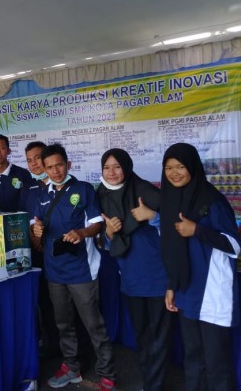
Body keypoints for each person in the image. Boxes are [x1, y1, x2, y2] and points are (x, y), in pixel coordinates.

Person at [30, 143, 115, 390]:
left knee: (93, 324)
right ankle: (71, 367)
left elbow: (97, 224)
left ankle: (107, 373)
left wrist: (81, 232)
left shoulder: (84, 189)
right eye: (49, 167)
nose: (55, 171)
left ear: (68, 164)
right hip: (54, 270)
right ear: (44, 169)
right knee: (63, 324)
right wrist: (36, 230)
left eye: (59, 165)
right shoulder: (42, 194)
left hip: (81, 270)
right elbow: (36, 228)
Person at [161, 143, 240, 391]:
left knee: (216, 363)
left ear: (193, 167)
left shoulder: (213, 201)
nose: (174, 173)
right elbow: (172, 250)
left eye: (180, 167)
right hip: (187, 292)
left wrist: (197, 230)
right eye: (169, 168)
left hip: (213, 294)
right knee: (193, 358)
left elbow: (234, 245)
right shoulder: (172, 200)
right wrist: (172, 286)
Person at [98, 148, 169, 391]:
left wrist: (152, 216)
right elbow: (106, 243)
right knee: (142, 335)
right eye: (106, 168)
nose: (111, 172)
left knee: (158, 336)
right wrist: (109, 233)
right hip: (130, 277)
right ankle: (150, 381)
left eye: (117, 167)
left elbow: (177, 227)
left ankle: (154, 385)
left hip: (157, 276)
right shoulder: (102, 195)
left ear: (127, 167)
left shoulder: (146, 192)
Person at [0, 134, 32, 212]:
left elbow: (29, 201)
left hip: (17, 219)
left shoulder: (23, 174)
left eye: (2, 148)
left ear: (9, 151)